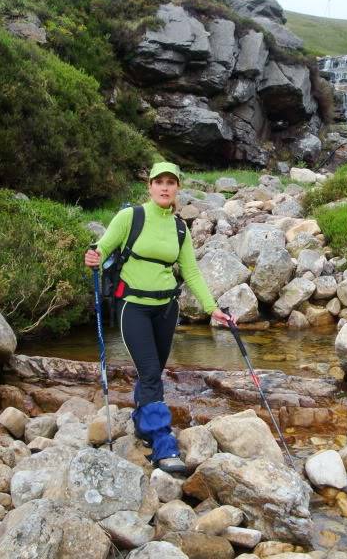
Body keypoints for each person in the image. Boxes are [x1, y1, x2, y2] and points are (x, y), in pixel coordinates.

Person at [84, 161, 233, 474]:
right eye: (159, 181)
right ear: (150, 186)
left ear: (177, 187)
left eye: (171, 182)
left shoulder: (179, 227)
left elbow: (190, 270)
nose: (165, 187)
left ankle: (141, 420)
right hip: (133, 307)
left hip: (167, 308)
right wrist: (93, 256)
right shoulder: (131, 217)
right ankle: (162, 443)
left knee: (153, 370)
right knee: (151, 372)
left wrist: (212, 307)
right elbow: (102, 248)